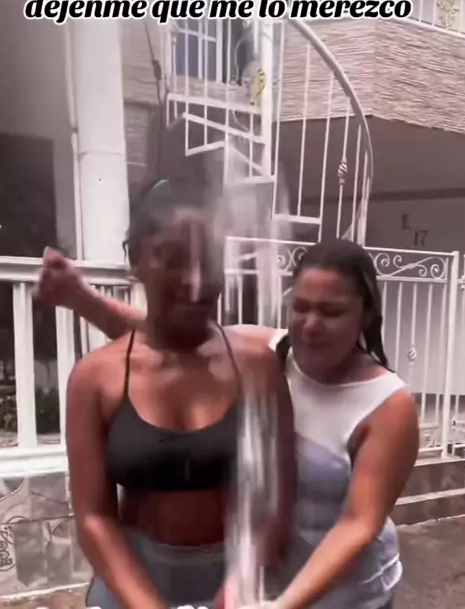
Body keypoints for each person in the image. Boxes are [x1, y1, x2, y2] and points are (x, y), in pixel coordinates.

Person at [37, 233, 418, 609]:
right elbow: (168, 339)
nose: (311, 324)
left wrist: (282, 605)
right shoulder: (267, 355)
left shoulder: (387, 405)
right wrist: (82, 299)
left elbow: (358, 525)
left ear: (366, 314)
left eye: (331, 312)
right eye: (301, 307)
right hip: (265, 582)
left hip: (344, 595)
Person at [46, 181, 294, 609]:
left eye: (209, 259)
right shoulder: (96, 379)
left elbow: (274, 504)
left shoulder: (257, 366)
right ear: (136, 261)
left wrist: (230, 598)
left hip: (238, 580)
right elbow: (94, 517)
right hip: (132, 581)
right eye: (173, 258)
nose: (195, 280)